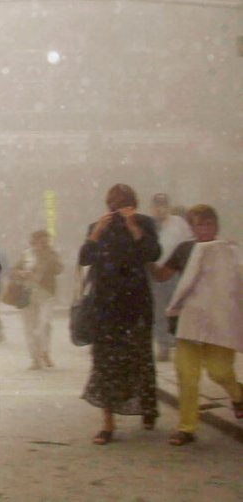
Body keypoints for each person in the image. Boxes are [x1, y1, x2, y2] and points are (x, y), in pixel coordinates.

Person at [152, 204, 243, 446]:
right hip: (189, 322)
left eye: (208, 223)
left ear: (216, 226)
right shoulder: (185, 250)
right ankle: (186, 427)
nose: (204, 229)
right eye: (199, 224)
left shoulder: (229, 250)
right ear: (192, 228)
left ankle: (238, 395)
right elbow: (162, 275)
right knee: (187, 375)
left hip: (220, 323)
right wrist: (146, 255)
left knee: (219, 371)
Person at [79, 183, 161, 445]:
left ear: (133, 204)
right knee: (104, 364)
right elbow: (84, 258)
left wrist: (133, 225)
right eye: (113, 204)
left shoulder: (144, 223)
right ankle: (107, 423)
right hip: (105, 306)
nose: (117, 209)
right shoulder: (98, 227)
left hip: (135, 303)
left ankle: (148, 408)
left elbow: (152, 252)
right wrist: (97, 232)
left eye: (123, 203)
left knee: (140, 359)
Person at [148, 193, 193, 361]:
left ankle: (179, 341)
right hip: (155, 273)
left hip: (175, 272)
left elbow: (189, 243)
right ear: (152, 208)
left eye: (163, 205)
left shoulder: (178, 224)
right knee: (159, 310)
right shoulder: (149, 225)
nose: (160, 209)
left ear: (168, 206)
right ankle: (163, 344)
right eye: (157, 205)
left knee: (177, 307)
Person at [13, 230, 63, 369]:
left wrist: (49, 259)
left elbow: (59, 269)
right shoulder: (26, 254)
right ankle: (35, 358)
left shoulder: (52, 254)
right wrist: (22, 273)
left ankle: (45, 352)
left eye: (46, 241)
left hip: (46, 295)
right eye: (41, 241)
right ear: (34, 242)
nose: (44, 244)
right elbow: (14, 270)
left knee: (43, 325)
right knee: (29, 327)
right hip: (28, 294)